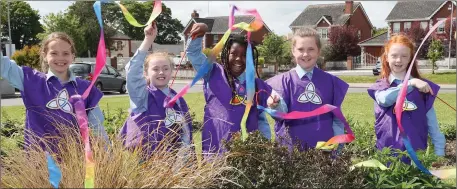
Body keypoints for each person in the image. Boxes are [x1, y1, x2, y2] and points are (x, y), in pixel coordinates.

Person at [186, 23, 286, 154]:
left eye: (245, 55)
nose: (239, 59)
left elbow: (281, 112)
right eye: (234, 53)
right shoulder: (212, 72)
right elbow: (193, 54)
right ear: (226, 53)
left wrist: (275, 105)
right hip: (214, 153)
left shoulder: (258, 85)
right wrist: (198, 36)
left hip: (245, 157)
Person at [0, 32, 108, 153]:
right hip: (39, 163)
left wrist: (106, 156)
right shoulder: (30, 80)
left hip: (75, 163)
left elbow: (98, 128)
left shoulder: (86, 89)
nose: (60, 58)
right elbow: (3, 65)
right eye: (54, 53)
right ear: (45, 55)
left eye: (66, 53)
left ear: (73, 56)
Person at [266, 28, 349, 151]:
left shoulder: (331, 82)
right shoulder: (282, 82)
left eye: (311, 49)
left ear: (318, 51)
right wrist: (275, 105)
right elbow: (281, 113)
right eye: (300, 49)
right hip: (292, 153)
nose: (305, 54)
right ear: (293, 51)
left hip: (323, 152)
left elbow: (337, 118)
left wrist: (337, 146)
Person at [119, 22, 192, 158]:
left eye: (165, 68)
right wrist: (148, 40)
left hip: (176, 163)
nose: (161, 72)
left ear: (171, 71)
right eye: (155, 69)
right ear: (146, 73)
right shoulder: (142, 97)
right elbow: (132, 72)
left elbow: (186, 131)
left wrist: (186, 157)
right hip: (149, 165)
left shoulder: (178, 100)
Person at [367, 34, 445, 160]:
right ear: (386, 57)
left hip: (416, 157)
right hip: (387, 157)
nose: (399, 60)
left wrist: (439, 152)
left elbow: (433, 124)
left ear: (410, 59)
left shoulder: (423, 88)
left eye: (404, 56)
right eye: (394, 55)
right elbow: (385, 99)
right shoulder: (380, 86)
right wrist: (410, 83)